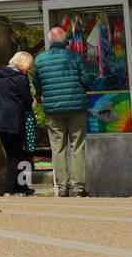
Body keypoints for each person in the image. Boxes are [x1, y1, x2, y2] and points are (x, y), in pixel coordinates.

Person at [32, 26, 93, 198]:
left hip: (53, 109)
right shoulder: (75, 57)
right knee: (77, 147)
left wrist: (43, 94)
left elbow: (37, 84)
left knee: (57, 148)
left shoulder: (40, 59)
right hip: (76, 108)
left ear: (50, 40)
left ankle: (62, 187)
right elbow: (87, 79)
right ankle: (79, 188)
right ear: (64, 40)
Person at [0, 52, 35, 196]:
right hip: (14, 121)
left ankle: (21, 188)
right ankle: (10, 190)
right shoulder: (20, 78)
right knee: (15, 155)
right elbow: (28, 101)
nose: (29, 68)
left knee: (13, 154)